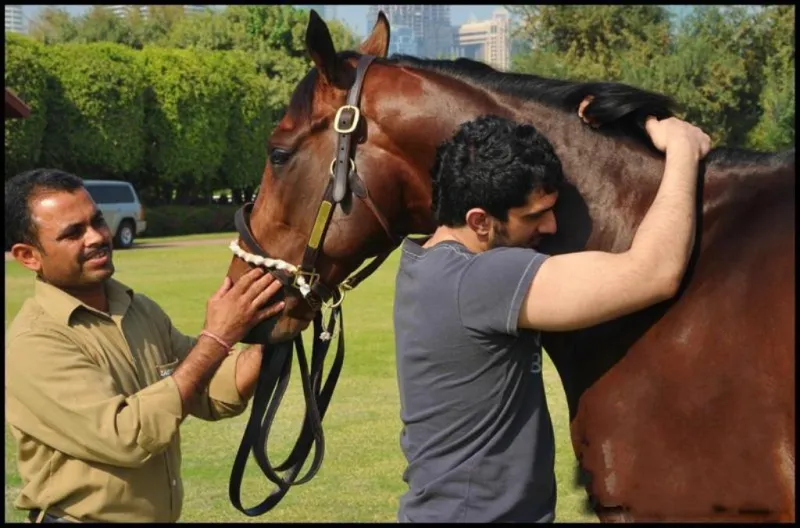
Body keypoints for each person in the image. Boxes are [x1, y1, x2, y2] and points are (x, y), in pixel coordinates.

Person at [393, 111, 711, 523]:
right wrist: (683, 149)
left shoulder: (426, 265)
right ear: (479, 221)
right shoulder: (482, 281)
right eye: (533, 215)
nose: (551, 224)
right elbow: (653, 273)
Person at [4, 169, 285, 523]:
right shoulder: (35, 342)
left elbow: (210, 390)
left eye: (97, 221)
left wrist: (277, 327)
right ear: (28, 256)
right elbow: (128, 436)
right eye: (73, 233)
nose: (96, 237)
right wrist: (217, 337)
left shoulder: (138, 309)